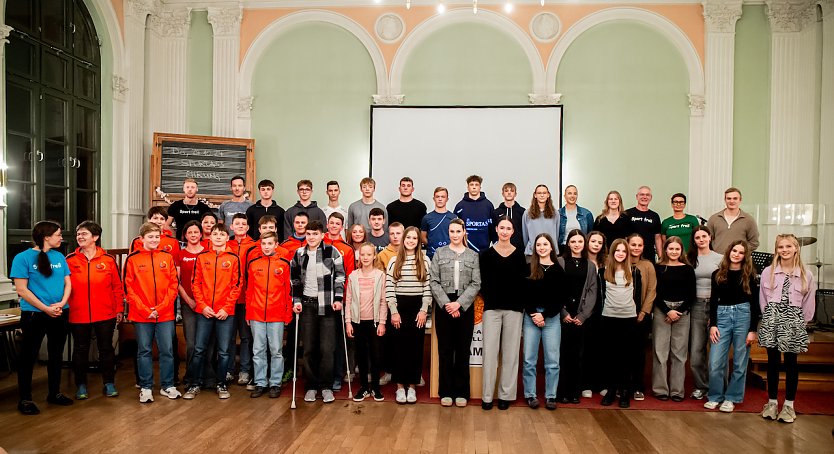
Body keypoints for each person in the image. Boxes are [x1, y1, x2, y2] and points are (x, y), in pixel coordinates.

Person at [11, 221, 73, 415]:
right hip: (34, 314)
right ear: (46, 237)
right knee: (28, 357)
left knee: (56, 355)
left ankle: (54, 393)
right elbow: (22, 290)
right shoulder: (22, 258)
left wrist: (61, 304)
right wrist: (46, 308)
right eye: (58, 235)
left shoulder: (59, 256)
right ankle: (25, 399)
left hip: (60, 312)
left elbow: (68, 283)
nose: (61, 238)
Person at [758, 234, 816, 423]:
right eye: (781, 247)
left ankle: (789, 405)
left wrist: (801, 323)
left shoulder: (806, 274)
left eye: (788, 246)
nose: (784, 250)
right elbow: (763, 298)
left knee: (791, 363)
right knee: (773, 362)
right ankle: (772, 403)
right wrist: (769, 317)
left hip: (794, 321)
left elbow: (809, 302)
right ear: (776, 250)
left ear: (796, 248)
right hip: (772, 319)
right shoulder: (768, 271)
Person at [66, 221, 123, 400]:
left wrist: (119, 309)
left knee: (106, 349)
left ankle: (109, 383)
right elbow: (64, 287)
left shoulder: (108, 260)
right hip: (78, 313)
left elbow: (117, 287)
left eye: (84, 234)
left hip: (105, 313)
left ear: (95, 237)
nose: (80, 237)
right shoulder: (70, 260)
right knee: (80, 349)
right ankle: (81, 385)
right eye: (78, 234)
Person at [123, 222, 180, 403]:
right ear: (142, 239)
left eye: (157, 236)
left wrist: (161, 308)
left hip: (165, 313)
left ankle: (167, 385)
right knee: (144, 351)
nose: (154, 240)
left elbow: (173, 285)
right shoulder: (132, 259)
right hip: (142, 314)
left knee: (167, 350)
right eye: (150, 237)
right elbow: (128, 288)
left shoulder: (167, 257)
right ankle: (146, 387)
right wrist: (145, 309)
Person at [290, 220, 346, 404]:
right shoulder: (299, 253)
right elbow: (295, 280)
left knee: (327, 348)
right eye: (308, 234)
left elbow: (340, 276)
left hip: (327, 305)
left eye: (315, 234)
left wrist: (338, 298)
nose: (311, 237)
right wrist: (296, 300)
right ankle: (311, 387)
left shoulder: (332, 252)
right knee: (309, 348)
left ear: (322, 235)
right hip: (307, 305)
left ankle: (326, 386)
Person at [185, 224, 241, 400]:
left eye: (221, 234)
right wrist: (202, 306)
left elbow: (237, 285)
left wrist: (226, 308)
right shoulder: (202, 257)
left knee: (224, 351)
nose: (218, 237)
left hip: (225, 312)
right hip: (205, 311)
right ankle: (195, 384)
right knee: (199, 349)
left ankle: (221, 384)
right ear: (210, 237)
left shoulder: (233, 258)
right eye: (215, 234)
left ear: (227, 237)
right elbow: (195, 283)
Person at [703, 240, 760, 413]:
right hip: (722, 316)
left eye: (741, 252)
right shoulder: (718, 274)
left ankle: (732, 397)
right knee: (715, 362)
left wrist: (752, 330)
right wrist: (713, 324)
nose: (736, 254)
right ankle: (715, 396)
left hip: (743, 315)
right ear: (729, 252)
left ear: (745, 256)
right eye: (734, 250)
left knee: (739, 361)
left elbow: (755, 304)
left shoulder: (750, 275)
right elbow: (713, 300)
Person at [430, 219, 482, 408]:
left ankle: (461, 392)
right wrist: (447, 304)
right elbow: (433, 281)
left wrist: (459, 304)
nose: (455, 235)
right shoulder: (439, 253)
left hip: (464, 306)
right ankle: (445, 391)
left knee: (462, 350)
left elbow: (476, 283)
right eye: (452, 231)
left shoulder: (473, 255)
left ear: (464, 232)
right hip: (444, 305)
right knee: (445, 350)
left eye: (458, 231)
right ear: (448, 232)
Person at [479, 216, 528, 410]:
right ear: (496, 230)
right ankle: (487, 396)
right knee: (489, 355)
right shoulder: (486, 255)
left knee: (510, 355)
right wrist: (491, 297)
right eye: (502, 228)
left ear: (513, 231)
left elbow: (523, 283)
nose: (505, 231)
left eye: (508, 228)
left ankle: (505, 395)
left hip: (514, 310)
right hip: (491, 309)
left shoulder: (519, 255)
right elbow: (481, 282)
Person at [385, 226, 432, 404]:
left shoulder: (424, 260)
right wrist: (394, 311)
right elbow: (389, 287)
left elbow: (428, 287)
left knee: (415, 347)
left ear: (418, 241)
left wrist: (424, 309)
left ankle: (412, 386)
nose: (411, 241)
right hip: (399, 308)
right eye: (408, 237)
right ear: (403, 239)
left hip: (418, 309)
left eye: (414, 238)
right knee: (398, 348)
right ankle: (399, 387)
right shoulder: (394, 261)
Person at [245, 232, 293, 399]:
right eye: (263, 243)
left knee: (276, 350)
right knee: (258, 350)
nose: (266, 247)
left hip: (277, 314)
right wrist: (248, 313)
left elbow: (288, 291)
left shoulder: (284, 264)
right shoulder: (253, 263)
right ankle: (260, 382)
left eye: (269, 243)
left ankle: (275, 383)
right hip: (256, 314)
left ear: (276, 244)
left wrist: (287, 314)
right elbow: (249, 290)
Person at [522, 233, 565, 411]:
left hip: (552, 318)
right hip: (531, 317)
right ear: (534, 248)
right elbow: (524, 294)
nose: (541, 248)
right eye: (538, 245)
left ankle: (551, 396)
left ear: (551, 247)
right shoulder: (529, 268)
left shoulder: (558, 270)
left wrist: (544, 315)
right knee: (529, 359)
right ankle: (530, 395)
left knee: (552, 361)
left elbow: (560, 298)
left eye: (545, 244)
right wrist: (534, 314)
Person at [599, 239, 643, 408]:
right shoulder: (603, 271)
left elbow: (637, 296)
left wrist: (638, 314)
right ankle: (611, 390)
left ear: (627, 254)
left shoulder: (634, 272)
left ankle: (625, 391)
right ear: (612, 252)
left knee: (627, 356)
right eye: (617, 250)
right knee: (611, 356)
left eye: (623, 251)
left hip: (628, 318)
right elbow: (601, 294)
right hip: (609, 317)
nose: (620, 253)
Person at [556, 229, 598, 404]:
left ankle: (574, 392)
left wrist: (583, 315)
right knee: (563, 354)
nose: (576, 244)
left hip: (580, 317)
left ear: (584, 244)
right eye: (573, 241)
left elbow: (592, 291)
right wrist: (563, 312)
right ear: (568, 243)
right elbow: (555, 288)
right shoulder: (560, 261)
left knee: (577, 355)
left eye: (580, 241)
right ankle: (562, 391)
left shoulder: (590, 265)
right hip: (563, 315)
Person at [652, 236, 696, 402]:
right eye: (671, 248)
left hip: (682, 313)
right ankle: (660, 389)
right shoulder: (658, 268)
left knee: (679, 353)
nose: (674, 251)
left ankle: (677, 391)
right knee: (660, 351)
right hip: (661, 311)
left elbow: (692, 294)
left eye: (677, 249)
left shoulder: (688, 269)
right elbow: (654, 292)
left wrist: (678, 311)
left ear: (681, 250)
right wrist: (667, 311)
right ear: (665, 250)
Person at [345, 242, 388, 402]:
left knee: (376, 355)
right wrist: (348, 322)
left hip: (374, 322)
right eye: (362, 254)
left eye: (369, 254)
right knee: (361, 355)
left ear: (374, 256)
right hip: (357, 321)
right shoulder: (353, 276)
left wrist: (382, 322)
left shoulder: (380, 275)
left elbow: (383, 301)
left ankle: (375, 387)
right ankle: (364, 387)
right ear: (359, 256)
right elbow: (348, 300)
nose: (365, 257)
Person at [686, 225, 723, 400]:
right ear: (694, 241)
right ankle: (701, 386)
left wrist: (716, 312)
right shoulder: (689, 259)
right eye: (697, 237)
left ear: (710, 237)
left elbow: (724, 285)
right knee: (696, 351)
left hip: (716, 306)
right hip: (696, 306)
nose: (701, 240)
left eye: (704, 236)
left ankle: (718, 387)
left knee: (717, 350)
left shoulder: (720, 259)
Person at [176, 220, 212, 390]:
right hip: (188, 304)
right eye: (189, 232)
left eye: (196, 232)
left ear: (201, 234)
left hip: (206, 304)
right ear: (185, 235)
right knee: (191, 343)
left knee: (206, 342)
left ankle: (204, 375)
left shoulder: (208, 253)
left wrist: (203, 302)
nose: (193, 235)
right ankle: (191, 375)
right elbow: (176, 281)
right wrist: (188, 300)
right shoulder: (180, 254)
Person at [324, 212, 356, 391]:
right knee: (322, 341)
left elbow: (349, 276)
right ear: (327, 225)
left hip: (338, 301)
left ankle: (337, 376)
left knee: (336, 341)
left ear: (342, 227)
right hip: (320, 300)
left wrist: (343, 298)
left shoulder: (347, 249)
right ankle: (322, 377)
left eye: (337, 223)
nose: (334, 226)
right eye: (332, 223)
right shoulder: (319, 243)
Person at [626, 233, 657, 401]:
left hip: (641, 316)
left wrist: (644, 312)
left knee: (639, 353)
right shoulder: (619, 263)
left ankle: (638, 386)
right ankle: (622, 386)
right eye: (633, 244)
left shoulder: (648, 266)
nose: (636, 248)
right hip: (622, 316)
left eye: (639, 245)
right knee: (622, 353)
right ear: (627, 245)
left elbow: (652, 290)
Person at [226, 213, 255, 388]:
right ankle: (229, 369)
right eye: (237, 223)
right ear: (231, 226)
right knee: (229, 336)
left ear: (248, 227)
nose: (241, 226)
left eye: (244, 224)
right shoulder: (226, 244)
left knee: (245, 336)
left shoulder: (254, 245)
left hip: (246, 298)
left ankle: (245, 370)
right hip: (228, 299)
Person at [580, 230, 607, 398]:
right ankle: (586, 384)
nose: (596, 245)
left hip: (603, 311)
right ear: (587, 242)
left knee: (601, 348)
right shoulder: (582, 262)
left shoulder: (607, 262)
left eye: (600, 243)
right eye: (593, 241)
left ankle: (601, 384)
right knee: (586, 348)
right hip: (585, 311)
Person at [707, 187, 760, 253]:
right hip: (718, 258)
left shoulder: (749, 220)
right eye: (729, 198)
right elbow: (708, 240)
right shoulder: (714, 219)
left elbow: (754, 243)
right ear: (725, 200)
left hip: (739, 258)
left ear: (740, 200)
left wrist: (740, 252)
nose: (732, 201)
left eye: (735, 198)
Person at [454, 175, 494, 253]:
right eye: (471, 185)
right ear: (468, 187)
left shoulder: (488, 205)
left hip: (484, 250)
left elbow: (492, 228)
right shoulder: (460, 206)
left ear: (480, 187)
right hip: (465, 250)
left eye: (476, 185)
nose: (474, 187)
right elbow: (455, 228)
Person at [521, 184, 560, 261]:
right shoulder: (527, 213)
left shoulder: (555, 213)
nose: (542, 195)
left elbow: (557, 234)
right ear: (535, 195)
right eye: (539, 193)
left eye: (544, 193)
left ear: (548, 195)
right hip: (532, 254)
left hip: (550, 253)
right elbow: (525, 235)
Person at [625, 186, 662, 261]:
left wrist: (660, 257)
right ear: (637, 196)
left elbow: (657, 238)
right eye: (642, 194)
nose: (644, 197)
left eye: (647, 195)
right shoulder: (627, 214)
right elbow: (624, 237)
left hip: (649, 256)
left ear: (651, 198)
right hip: (630, 256)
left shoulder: (655, 216)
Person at [421, 187, 458, 259]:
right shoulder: (427, 218)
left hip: (449, 256)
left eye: (443, 197)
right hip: (432, 256)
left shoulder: (453, 217)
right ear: (434, 199)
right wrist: (431, 245)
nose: (440, 199)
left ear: (447, 199)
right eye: (437, 197)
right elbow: (423, 237)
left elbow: (457, 237)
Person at [557, 185, 594, 251]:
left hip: (581, 249)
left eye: (575, 193)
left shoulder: (586, 214)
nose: (572, 196)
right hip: (563, 249)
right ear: (565, 196)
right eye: (569, 193)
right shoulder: (558, 214)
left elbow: (590, 235)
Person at [491, 182, 525, 249]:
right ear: (503, 194)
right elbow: (492, 231)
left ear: (515, 194)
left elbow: (525, 231)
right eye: (506, 191)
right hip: (500, 249)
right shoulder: (496, 212)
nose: (509, 193)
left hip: (519, 249)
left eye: (512, 191)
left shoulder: (522, 212)